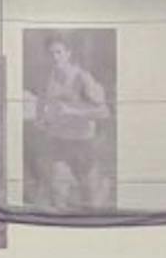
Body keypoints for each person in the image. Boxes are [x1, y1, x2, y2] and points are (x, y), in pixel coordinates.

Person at [33, 34, 109, 211]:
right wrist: (41, 120)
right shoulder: (45, 79)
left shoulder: (82, 78)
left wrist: (72, 111)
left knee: (90, 199)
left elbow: (104, 112)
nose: (54, 57)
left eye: (59, 52)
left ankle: (103, 187)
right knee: (58, 191)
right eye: (50, 53)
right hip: (58, 141)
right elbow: (41, 104)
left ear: (68, 53)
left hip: (83, 142)